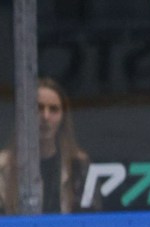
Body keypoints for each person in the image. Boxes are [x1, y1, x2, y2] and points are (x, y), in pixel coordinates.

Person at [0, 77, 90, 215]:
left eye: (53, 109)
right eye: (38, 108)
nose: (45, 116)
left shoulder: (78, 164)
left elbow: (91, 217)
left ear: (63, 117)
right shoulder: (3, 166)